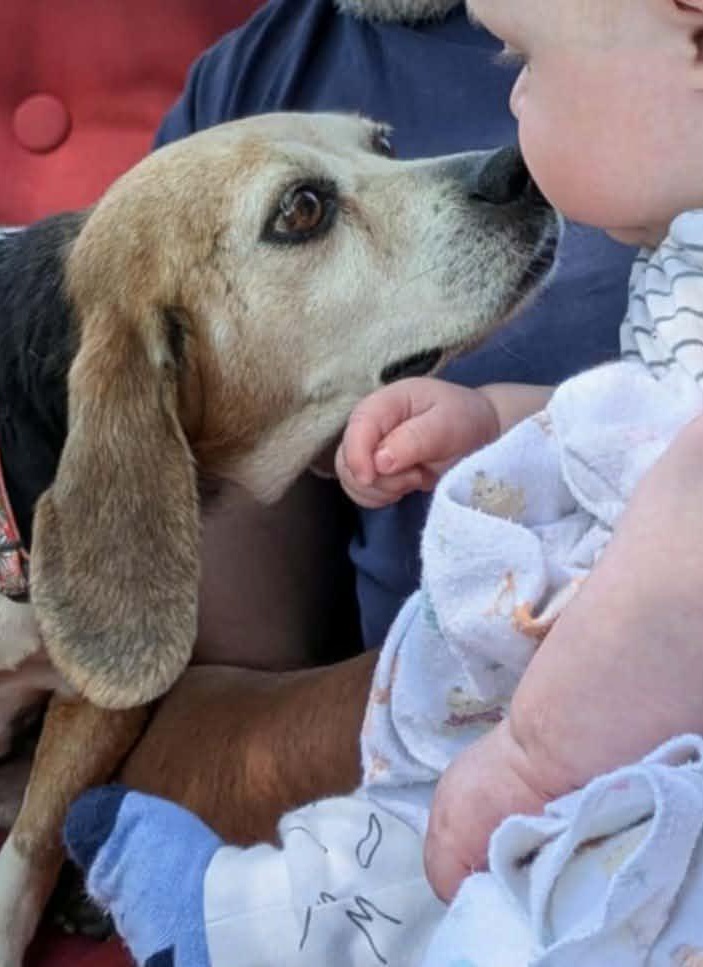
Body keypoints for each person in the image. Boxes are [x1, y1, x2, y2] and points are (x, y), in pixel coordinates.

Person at [66, 0, 703, 964]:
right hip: (477, 794)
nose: (514, 107)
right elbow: (176, 726)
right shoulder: (259, 87)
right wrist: (474, 699)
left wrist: (554, 726)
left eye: (524, 64)